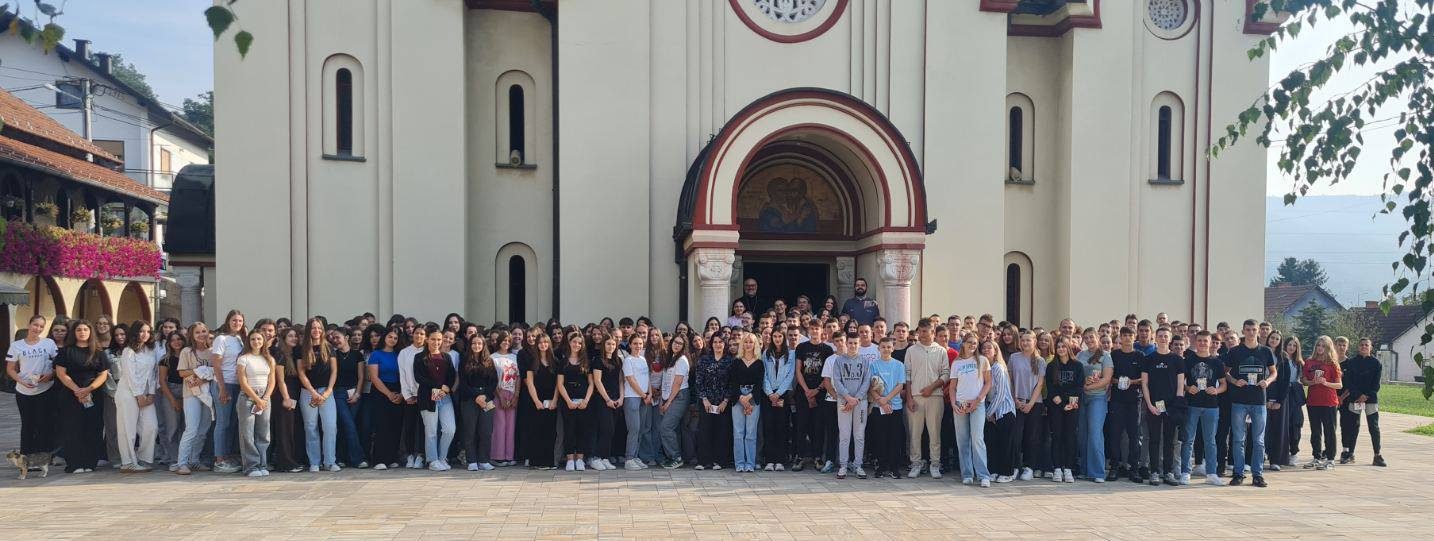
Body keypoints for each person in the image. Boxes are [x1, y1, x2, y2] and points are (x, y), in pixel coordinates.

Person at [1222, 319, 1276, 487]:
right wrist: (1234, 381)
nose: (1251, 332)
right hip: (1239, 400)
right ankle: (1238, 473)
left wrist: (1267, 381)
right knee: (1238, 439)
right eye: (1248, 329)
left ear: (1258, 331)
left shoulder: (1266, 351)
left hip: (1259, 401)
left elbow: (1274, 372)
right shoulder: (1235, 351)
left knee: (1258, 440)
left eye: (1254, 329)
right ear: (1243, 331)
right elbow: (1225, 373)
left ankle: (1257, 475)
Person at [54, 319, 109, 473]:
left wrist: (88, 389)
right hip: (70, 395)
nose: (82, 332)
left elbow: (103, 374)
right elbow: (61, 373)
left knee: (92, 428)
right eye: (79, 330)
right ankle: (75, 463)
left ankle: (89, 462)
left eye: (85, 329)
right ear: (74, 333)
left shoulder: (98, 352)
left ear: (90, 332)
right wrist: (77, 390)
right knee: (72, 428)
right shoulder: (66, 351)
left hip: (93, 394)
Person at [6, 315, 58, 459]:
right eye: (35, 325)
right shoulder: (16, 345)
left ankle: (42, 458)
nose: (38, 328)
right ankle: (26, 457)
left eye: (41, 326)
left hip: (45, 389)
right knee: (27, 424)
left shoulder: (48, 343)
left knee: (43, 424)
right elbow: (10, 369)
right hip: (23, 391)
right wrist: (21, 381)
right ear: (29, 325)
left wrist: (51, 374)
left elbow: (58, 364)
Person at [1140, 328, 1185, 486]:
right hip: (1153, 406)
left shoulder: (1177, 360)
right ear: (1155, 338)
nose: (1163, 338)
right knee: (1154, 439)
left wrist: (1176, 406)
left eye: (1166, 336)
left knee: (1169, 440)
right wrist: (1149, 405)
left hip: (1171, 406)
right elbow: (1144, 384)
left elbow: (1180, 385)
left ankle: (1168, 472)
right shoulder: (1148, 359)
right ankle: (1154, 472)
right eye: (1160, 336)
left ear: (1170, 339)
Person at [904, 320, 948, 479]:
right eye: (920, 331)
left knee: (934, 433)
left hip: (935, 397)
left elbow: (946, 374)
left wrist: (932, 387)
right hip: (916, 397)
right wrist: (909, 398)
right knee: (915, 433)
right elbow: (907, 376)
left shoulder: (941, 350)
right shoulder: (911, 350)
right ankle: (915, 464)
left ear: (932, 332)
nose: (922, 334)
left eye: (925, 331)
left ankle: (935, 464)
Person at [114, 321, 160, 473]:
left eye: (147, 331)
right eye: (141, 331)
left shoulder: (150, 350)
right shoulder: (128, 351)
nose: (145, 334)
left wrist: (151, 393)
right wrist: (138, 394)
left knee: (151, 426)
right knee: (128, 429)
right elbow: (130, 375)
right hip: (128, 392)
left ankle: (143, 458)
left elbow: (153, 374)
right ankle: (128, 462)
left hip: (146, 393)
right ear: (135, 333)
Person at [1182, 331, 1226, 485]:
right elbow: (1181, 382)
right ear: (1195, 341)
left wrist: (1216, 390)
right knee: (1188, 440)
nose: (1202, 343)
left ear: (1210, 342)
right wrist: (1188, 388)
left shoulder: (1217, 362)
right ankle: (1185, 472)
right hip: (1192, 404)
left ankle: (1211, 473)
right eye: (1199, 340)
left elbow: (1224, 384)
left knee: (1210, 441)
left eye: (1205, 341)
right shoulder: (1189, 360)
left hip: (1211, 406)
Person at [948, 332, 992, 487]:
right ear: (963, 344)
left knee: (977, 439)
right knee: (962, 440)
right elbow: (952, 387)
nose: (972, 345)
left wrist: (978, 399)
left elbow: (988, 383)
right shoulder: (957, 363)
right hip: (960, 405)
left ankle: (983, 475)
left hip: (977, 404)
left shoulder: (982, 360)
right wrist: (953, 404)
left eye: (975, 343)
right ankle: (967, 474)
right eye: (969, 342)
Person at [298, 319, 341, 472]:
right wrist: (313, 392)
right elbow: (301, 373)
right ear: (308, 330)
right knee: (311, 427)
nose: (316, 330)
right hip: (308, 392)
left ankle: (330, 461)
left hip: (326, 391)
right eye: (313, 328)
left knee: (330, 426)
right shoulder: (301, 349)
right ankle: (314, 462)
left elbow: (334, 371)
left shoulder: (329, 347)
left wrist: (328, 391)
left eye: (319, 328)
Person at [827, 332, 871, 480]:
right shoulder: (839, 360)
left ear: (859, 344)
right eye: (850, 343)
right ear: (846, 344)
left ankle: (858, 465)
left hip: (860, 402)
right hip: (843, 401)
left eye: (855, 343)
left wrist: (856, 399)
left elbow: (866, 381)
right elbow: (837, 381)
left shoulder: (865, 361)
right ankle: (843, 466)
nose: (852, 346)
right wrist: (848, 398)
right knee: (844, 435)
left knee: (859, 435)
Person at [175, 322, 216, 475]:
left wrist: (204, 377)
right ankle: (182, 463)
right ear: (192, 335)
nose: (201, 334)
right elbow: (182, 372)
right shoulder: (187, 351)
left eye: (204, 331)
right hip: (191, 393)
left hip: (207, 394)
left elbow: (215, 371)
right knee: (191, 429)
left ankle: (194, 460)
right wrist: (199, 371)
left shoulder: (212, 352)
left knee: (203, 429)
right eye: (197, 332)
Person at [209, 309, 248, 474]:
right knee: (223, 422)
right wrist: (222, 388)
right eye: (234, 320)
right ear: (228, 321)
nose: (237, 323)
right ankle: (219, 459)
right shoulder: (221, 339)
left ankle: (229, 456)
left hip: (238, 384)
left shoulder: (240, 340)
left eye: (240, 321)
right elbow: (216, 365)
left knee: (233, 422)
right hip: (224, 383)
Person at [415, 328, 458, 471]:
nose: (436, 342)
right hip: (428, 397)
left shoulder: (446, 357)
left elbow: (452, 376)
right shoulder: (419, 357)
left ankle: (442, 457)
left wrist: (446, 389)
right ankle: (432, 460)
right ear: (427, 339)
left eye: (439, 339)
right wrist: (439, 386)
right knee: (431, 431)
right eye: (433, 339)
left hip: (444, 397)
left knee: (450, 429)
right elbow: (419, 378)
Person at [793, 320, 832, 472]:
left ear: (822, 330)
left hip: (821, 393)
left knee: (818, 426)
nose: (814, 331)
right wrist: (807, 391)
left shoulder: (827, 349)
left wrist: (816, 390)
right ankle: (800, 456)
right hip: (803, 392)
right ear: (808, 330)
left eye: (817, 328)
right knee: (801, 425)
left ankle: (817, 456)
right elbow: (798, 370)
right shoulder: (801, 347)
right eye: (812, 328)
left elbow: (828, 374)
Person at [235, 331, 275, 477]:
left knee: (263, 433)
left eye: (259, 339)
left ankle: (262, 464)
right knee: (247, 433)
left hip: (265, 397)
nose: (256, 341)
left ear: (263, 340)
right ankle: (251, 467)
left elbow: (272, 381)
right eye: (253, 339)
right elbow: (243, 382)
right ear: (249, 341)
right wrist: (257, 400)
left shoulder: (269, 359)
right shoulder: (243, 359)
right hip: (248, 397)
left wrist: (265, 398)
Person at [1107, 326, 1145, 482]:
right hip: (1117, 400)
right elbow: (1108, 376)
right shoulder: (1114, 355)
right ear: (1120, 338)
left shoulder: (1140, 355)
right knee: (1115, 435)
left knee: (1134, 436)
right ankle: (1114, 468)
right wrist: (1118, 381)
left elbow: (1144, 378)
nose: (1127, 338)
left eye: (1130, 335)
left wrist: (1132, 381)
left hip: (1134, 400)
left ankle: (1134, 469)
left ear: (1134, 337)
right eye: (1124, 335)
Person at [1340, 338, 1385, 467]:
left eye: (1366, 345)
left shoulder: (1376, 363)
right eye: (1362, 345)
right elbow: (1349, 382)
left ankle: (1377, 455)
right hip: (1355, 398)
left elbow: (1376, 384)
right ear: (1358, 347)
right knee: (1353, 426)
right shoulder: (1351, 363)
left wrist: (1366, 395)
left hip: (1370, 399)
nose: (1364, 347)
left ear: (1371, 347)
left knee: (1374, 427)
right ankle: (1350, 453)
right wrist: (1358, 395)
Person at [1008, 331, 1047, 481]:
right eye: (1023, 340)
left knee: (1032, 437)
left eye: (1028, 340)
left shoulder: (1040, 360)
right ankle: (1015, 467)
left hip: (1034, 403)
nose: (1025, 343)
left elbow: (1040, 384)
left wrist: (1030, 403)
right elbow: (1010, 380)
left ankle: (1029, 467)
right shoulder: (1014, 358)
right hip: (1017, 402)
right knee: (1016, 436)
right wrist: (1015, 399)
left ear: (1034, 342)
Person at [327, 328, 368, 468]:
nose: (335, 340)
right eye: (333, 338)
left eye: (337, 337)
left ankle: (342, 457)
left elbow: (361, 376)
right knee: (348, 424)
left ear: (346, 338)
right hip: (338, 393)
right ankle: (358, 459)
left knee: (347, 425)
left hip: (354, 392)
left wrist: (357, 393)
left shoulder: (357, 355)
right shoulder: (333, 354)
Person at [867, 336, 906, 479]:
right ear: (879, 348)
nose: (886, 349)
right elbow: (871, 386)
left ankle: (894, 468)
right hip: (879, 407)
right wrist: (880, 401)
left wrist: (887, 399)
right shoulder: (873, 365)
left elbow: (900, 385)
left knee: (895, 438)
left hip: (895, 406)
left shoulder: (899, 365)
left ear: (893, 348)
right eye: (883, 347)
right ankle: (881, 467)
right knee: (880, 437)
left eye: (889, 347)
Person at [1045, 336, 1084, 484]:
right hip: (1056, 406)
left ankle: (1068, 468)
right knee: (1057, 436)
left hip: (1072, 405)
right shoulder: (1051, 366)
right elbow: (1050, 387)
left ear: (1069, 348)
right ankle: (1057, 468)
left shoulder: (1077, 366)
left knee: (1070, 437)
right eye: (1058, 347)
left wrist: (1068, 402)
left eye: (1063, 346)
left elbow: (1079, 387)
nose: (1061, 349)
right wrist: (1061, 403)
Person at [457, 335, 498, 471]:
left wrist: (484, 395)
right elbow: (463, 383)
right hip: (469, 399)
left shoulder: (489, 361)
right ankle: (472, 460)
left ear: (483, 345)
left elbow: (494, 382)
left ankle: (484, 460)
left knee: (486, 431)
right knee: (470, 431)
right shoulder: (464, 361)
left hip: (487, 399)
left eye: (479, 343)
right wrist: (477, 395)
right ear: (470, 345)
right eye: (474, 343)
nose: (476, 346)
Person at [366, 329, 404, 469]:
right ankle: (379, 460)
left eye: (395, 338)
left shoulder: (399, 355)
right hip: (380, 391)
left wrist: (401, 394)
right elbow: (374, 378)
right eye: (390, 336)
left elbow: (404, 375)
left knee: (395, 425)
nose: (392, 339)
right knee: (382, 425)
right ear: (384, 337)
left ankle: (392, 458)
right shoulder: (376, 354)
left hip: (398, 389)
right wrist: (389, 394)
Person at [694, 333, 732, 470]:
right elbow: (699, 381)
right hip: (707, 402)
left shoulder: (729, 361)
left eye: (720, 342)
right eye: (715, 342)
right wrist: (704, 399)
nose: (718, 344)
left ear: (724, 344)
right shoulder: (704, 360)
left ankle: (719, 461)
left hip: (723, 403)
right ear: (711, 344)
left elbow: (731, 383)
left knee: (721, 431)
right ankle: (703, 461)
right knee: (705, 430)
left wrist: (725, 401)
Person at [1078, 329, 1113, 483]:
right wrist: (1083, 384)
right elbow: (1077, 375)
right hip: (1081, 398)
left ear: (1097, 337)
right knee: (1082, 434)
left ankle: (1097, 472)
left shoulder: (1106, 356)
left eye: (1091, 337)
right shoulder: (1080, 355)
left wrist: (1088, 387)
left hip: (1097, 398)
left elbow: (1106, 379)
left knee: (1095, 434)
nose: (1088, 340)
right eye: (1085, 338)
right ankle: (1085, 470)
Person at [270, 328, 305, 473]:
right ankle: (286, 463)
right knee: (284, 430)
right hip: (283, 396)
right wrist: (286, 398)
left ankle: (293, 460)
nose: (294, 338)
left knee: (292, 429)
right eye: (290, 336)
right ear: (283, 338)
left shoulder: (294, 354)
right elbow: (280, 380)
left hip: (294, 394)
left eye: (295, 336)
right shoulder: (280, 354)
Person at [761, 327, 797, 471]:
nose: (777, 339)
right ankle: (770, 460)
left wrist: (779, 393)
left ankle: (780, 460)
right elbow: (763, 375)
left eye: (780, 336)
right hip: (768, 395)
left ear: (784, 338)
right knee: (769, 427)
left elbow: (790, 376)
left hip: (783, 394)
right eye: (775, 336)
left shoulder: (791, 354)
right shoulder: (766, 353)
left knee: (782, 427)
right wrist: (770, 393)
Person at [557, 333, 594, 471]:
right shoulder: (563, 362)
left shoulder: (586, 362)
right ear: (569, 343)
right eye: (574, 342)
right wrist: (568, 401)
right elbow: (560, 384)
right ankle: (570, 459)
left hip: (583, 401)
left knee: (582, 430)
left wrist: (586, 400)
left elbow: (591, 384)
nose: (576, 345)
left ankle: (580, 459)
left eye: (579, 343)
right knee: (569, 430)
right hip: (568, 401)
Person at [983, 339, 1019, 483]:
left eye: (989, 348)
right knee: (993, 444)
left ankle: (1007, 472)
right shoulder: (986, 368)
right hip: (991, 412)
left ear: (995, 351)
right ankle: (994, 470)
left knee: (1006, 444)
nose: (986, 350)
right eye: (984, 348)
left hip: (1004, 411)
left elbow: (1001, 393)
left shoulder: (998, 368)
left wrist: (989, 412)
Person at [588, 332, 623, 470]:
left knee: (611, 430)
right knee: (604, 428)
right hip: (602, 399)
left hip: (616, 399)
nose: (611, 346)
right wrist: (607, 399)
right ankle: (595, 457)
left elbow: (620, 381)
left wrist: (621, 397)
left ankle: (605, 457)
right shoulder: (598, 360)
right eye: (608, 344)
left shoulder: (618, 361)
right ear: (603, 345)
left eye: (613, 344)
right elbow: (597, 381)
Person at [1265, 334, 1300, 470]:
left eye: (1277, 339)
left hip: (1280, 396)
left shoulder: (1283, 357)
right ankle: (1259, 458)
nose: (1274, 340)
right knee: (1263, 429)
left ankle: (1276, 460)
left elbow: (1285, 381)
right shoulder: (1262, 352)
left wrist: (1279, 400)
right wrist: (1266, 399)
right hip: (1262, 394)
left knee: (1279, 428)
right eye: (1272, 338)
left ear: (1280, 342)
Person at [658, 333, 692, 469]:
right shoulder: (671, 358)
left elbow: (677, 384)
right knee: (673, 428)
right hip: (670, 395)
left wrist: (668, 403)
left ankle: (676, 457)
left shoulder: (682, 360)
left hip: (679, 396)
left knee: (665, 426)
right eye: (675, 342)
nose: (677, 345)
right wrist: (663, 399)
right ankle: (674, 457)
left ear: (684, 346)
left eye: (680, 343)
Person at [155, 332, 187, 471]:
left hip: (188, 391)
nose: (176, 342)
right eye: (173, 340)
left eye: (179, 339)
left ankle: (185, 458)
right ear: (169, 343)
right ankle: (174, 459)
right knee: (172, 427)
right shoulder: (165, 359)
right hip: (171, 391)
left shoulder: (189, 356)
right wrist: (173, 400)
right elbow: (162, 381)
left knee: (186, 428)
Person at [491, 332, 520, 467]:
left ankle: (509, 456)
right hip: (498, 393)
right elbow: (492, 379)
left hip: (512, 393)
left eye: (508, 341)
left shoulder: (515, 357)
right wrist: (500, 396)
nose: (506, 343)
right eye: (504, 340)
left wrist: (516, 396)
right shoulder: (493, 358)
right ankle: (498, 456)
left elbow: (518, 377)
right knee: (499, 425)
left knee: (510, 426)